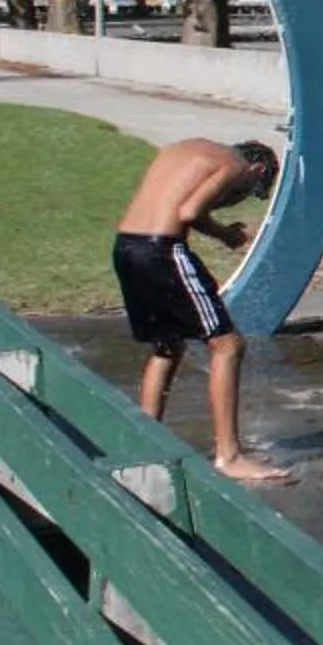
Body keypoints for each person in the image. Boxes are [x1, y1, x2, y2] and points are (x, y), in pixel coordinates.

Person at [113, 138, 287, 483]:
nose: (234, 198)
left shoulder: (184, 149)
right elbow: (189, 212)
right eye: (244, 191)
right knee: (228, 345)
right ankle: (229, 456)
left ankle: (146, 441)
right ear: (257, 169)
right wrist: (226, 235)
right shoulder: (234, 164)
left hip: (126, 247)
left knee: (167, 345)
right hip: (161, 250)